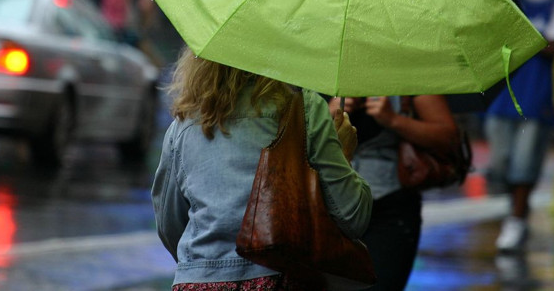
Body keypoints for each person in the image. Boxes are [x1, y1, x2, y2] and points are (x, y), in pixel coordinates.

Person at [152, 47, 372, 290]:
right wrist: (343, 155)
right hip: (280, 278)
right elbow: (353, 217)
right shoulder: (303, 109)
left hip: (200, 281)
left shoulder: (182, 126)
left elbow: (169, 225)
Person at [484, 0, 554, 253]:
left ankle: (517, 219)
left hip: (534, 98)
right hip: (502, 95)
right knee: (501, 163)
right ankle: (515, 210)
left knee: (525, 161)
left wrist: (521, 38)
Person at [328, 94, 458, 290]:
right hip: (325, 210)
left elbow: (449, 137)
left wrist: (393, 120)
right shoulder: (314, 83)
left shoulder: (408, 80)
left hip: (388, 209)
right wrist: (326, 114)